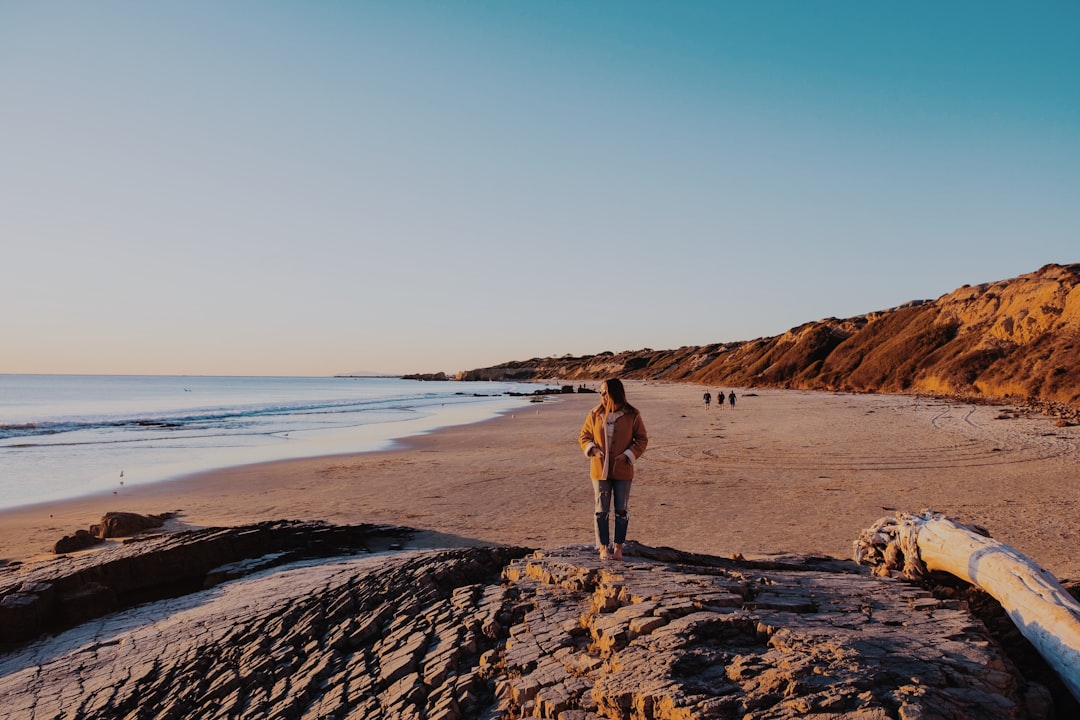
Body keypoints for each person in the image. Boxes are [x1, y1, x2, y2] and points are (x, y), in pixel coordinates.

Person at [579, 378, 648, 561]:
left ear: (614, 394)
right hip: (599, 470)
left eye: (604, 392)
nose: (601, 396)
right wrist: (592, 449)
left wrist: (627, 455)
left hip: (623, 470)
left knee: (621, 510)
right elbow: (584, 436)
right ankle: (603, 547)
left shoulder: (632, 415)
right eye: (600, 393)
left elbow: (641, 439)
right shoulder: (594, 413)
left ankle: (618, 548)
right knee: (601, 509)